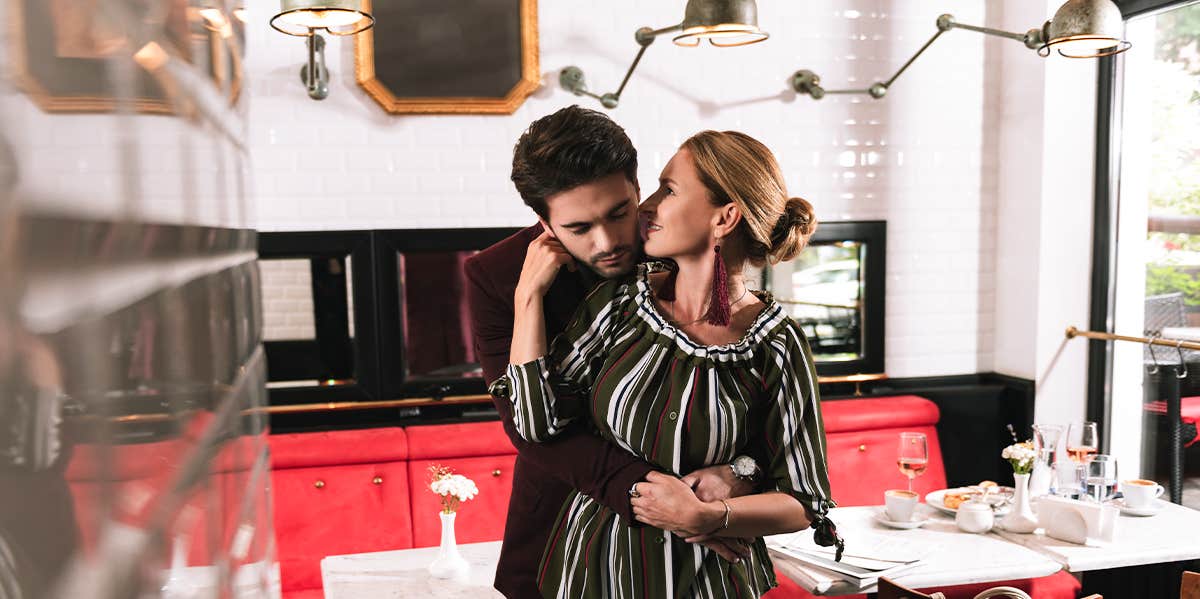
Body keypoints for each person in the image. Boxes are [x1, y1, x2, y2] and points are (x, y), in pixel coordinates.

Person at [502, 130, 840, 598]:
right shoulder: (620, 306)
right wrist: (528, 298)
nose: (648, 205)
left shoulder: (776, 343)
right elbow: (537, 423)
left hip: (712, 583)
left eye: (670, 189)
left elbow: (806, 500)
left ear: (725, 218)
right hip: (597, 574)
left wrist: (711, 515)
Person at [463, 107, 761, 599]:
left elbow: (752, 396)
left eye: (619, 213)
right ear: (544, 221)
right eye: (579, 228)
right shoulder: (495, 276)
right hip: (559, 527)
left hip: (700, 537)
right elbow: (530, 431)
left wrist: (740, 473)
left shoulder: (683, 243)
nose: (608, 244)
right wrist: (527, 298)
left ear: (636, 188)